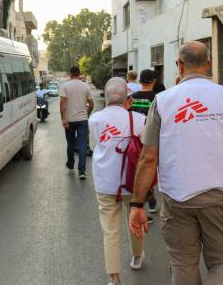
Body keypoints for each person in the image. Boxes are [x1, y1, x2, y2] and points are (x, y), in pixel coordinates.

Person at [128, 41, 223, 285]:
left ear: (179, 65)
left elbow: (148, 158)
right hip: (221, 197)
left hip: (178, 200)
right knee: (222, 262)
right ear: (208, 65)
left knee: (183, 264)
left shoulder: (163, 101)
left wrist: (137, 204)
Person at [89, 77, 147, 285]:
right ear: (128, 99)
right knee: (135, 220)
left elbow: (99, 142)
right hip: (133, 182)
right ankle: (137, 257)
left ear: (105, 98)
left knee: (110, 231)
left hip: (106, 182)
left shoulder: (95, 120)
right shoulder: (139, 120)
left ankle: (114, 278)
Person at [129, 69, 159, 216]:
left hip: (135, 138)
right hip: (153, 139)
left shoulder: (132, 98)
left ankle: (148, 195)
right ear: (154, 81)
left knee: (139, 168)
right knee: (152, 169)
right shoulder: (158, 98)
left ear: (140, 81)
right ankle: (150, 197)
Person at [60, 66, 94, 180]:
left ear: (70, 74)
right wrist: (87, 114)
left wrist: (63, 119)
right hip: (82, 120)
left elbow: (62, 105)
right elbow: (91, 104)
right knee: (83, 145)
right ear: (79, 74)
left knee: (70, 143)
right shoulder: (85, 86)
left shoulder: (65, 86)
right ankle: (82, 171)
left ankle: (70, 165)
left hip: (69, 120)